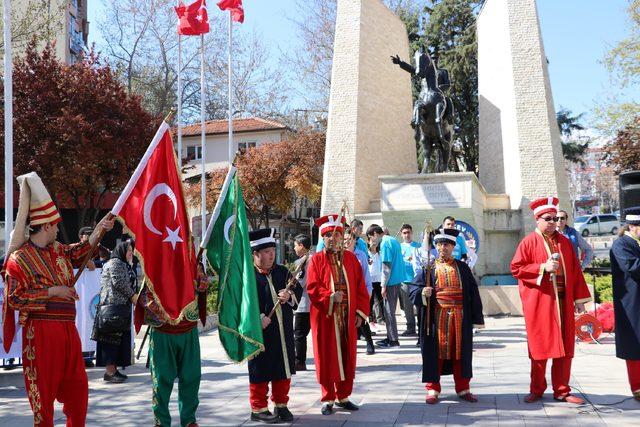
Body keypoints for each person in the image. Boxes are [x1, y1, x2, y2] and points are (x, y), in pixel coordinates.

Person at [2, 171, 114, 427]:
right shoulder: (18, 260)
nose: (57, 229)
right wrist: (52, 292)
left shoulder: (59, 250)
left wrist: (99, 230)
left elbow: (81, 251)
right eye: (55, 225)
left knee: (78, 392)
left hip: (68, 331)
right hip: (40, 333)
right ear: (46, 225)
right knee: (43, 395)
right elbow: (15, 299)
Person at [510, 197, 591, 404]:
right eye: (548, 219)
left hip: (563, 302)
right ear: (538, 219)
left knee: (565, 347)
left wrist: (580, 299)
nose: (553, 222)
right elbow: (516, 268)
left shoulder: (564, 241)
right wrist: (541, 268)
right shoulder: (529, 242)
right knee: (540, 346)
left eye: (556, 218)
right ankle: (536, 389)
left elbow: (575, 270)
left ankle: (562, 390)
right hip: (542, 302)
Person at [409, 228, 484, 404]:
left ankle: (463, 388)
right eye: (440, 244)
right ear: (436, 246)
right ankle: (432, 389)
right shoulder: (428, 268)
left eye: (447, 244)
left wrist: (476, 318)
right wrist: (422, 292)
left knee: (461, 353)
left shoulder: (463, 268)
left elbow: (473, 292)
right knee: (435, 353)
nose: (443, 247)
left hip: (460, 317)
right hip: (436, 319)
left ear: (453, 247)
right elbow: (413, 290)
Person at [307, 215, 370, 415]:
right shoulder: (316, 260)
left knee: (347, 356)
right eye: (328, 236)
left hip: (348, 317)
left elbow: (361, 287)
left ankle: (344, 396)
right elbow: (312, 287)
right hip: (326, 318)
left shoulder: (351, 259)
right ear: (323, 238)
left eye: (337, 235)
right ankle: (327, 399)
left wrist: (360, 312)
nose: (333, 239)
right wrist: (330, 297)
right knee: (327, 358)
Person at [138, 262, 208, 427]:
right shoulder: (154, 261)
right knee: (162, 378)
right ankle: (161, 421)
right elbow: (145, 297)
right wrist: (165, 312)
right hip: (163, 331)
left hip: (188, 329)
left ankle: (189, 419)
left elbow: (204, 284)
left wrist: (199, 282)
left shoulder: (192, 260)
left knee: (191, 376)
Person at [248, 228, 302, 423]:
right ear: (255, 254)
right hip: (260, 334)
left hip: (282, 331)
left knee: (283, 367)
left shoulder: (283, 272)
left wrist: (289, 296)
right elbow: (242, 304)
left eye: (273, 251)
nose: (272, 255)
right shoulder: (248, 277)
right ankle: (258, 408)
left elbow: (298, 291)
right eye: (267, 252)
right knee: (259, 369)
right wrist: (257, 318)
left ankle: (281, 404)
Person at [91, 240, 138, 383]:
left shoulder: (123, 263)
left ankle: (113, 370)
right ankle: (110, 372)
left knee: (117, 340)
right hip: (112, 308)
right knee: (111, 340)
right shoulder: (115, 263)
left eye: (131, 250)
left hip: (119, 308)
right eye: (129, 250)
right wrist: (133, 296)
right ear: (122, 250)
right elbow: (119, 282)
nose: (131, 253)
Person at [610, 207, 640, 401]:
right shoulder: (621, 244)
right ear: (632, 226)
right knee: (635, 344)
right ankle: (637, 387)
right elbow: (632, 267)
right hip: (631, 303)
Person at [366, 224, 405, 348]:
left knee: (389, 312)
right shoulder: (392, 240)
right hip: (397, 279)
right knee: (389, 311)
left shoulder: (384, 243)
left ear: (375, 234)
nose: (371, 241)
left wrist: (383, 286)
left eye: (371, 237)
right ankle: (391, 337)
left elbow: (386, 268)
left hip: (391, 282)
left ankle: (393, 340)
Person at [344, 227, 375, 355]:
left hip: (359, 291)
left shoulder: (360, 255)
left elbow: (366, 275)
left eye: (349, 239)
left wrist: (368, 291)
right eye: (344, 239)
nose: (346, 242)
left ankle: (369, 343)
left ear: (354, 240)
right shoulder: (341, 255)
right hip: (346, 292)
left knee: (361, 317)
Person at [293, 234, 313, 371]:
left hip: (304, 303)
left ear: (301, 245)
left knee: (299, 333)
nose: (294, 248)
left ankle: (300, 361)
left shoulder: (304, 261)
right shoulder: (313, 258)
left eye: (295, 245)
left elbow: (300, 282)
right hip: (312, 303)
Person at [399, 224, 419, 336]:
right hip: (404, 280)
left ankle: (421, 326)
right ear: (401, 234)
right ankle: (410, 327)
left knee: (419, 305)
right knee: (407, 306)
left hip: (417, 280)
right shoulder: (399, 247)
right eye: (404, 233)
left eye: (408, 232)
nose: (407, 235)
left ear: (412, 233)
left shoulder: (418, 246)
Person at [367, 238, 385, 329]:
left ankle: (381, 319)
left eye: (376, 242)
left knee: (380, 299)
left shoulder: (380, 254)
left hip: (379, 280)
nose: (374, 243)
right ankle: (370, 320)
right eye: (372, 241)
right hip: (369, 280)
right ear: (368, 241)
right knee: (370, 301)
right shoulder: (366, 254)